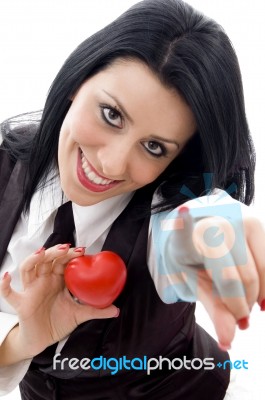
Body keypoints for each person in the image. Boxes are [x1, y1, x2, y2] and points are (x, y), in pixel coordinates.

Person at [0, 0, 264, 398]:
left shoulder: (167, 216)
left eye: (155, 147)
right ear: (78, 79)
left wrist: (214, 223)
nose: (112, 162)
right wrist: (23, 341)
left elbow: (189, 227)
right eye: (110, 114)